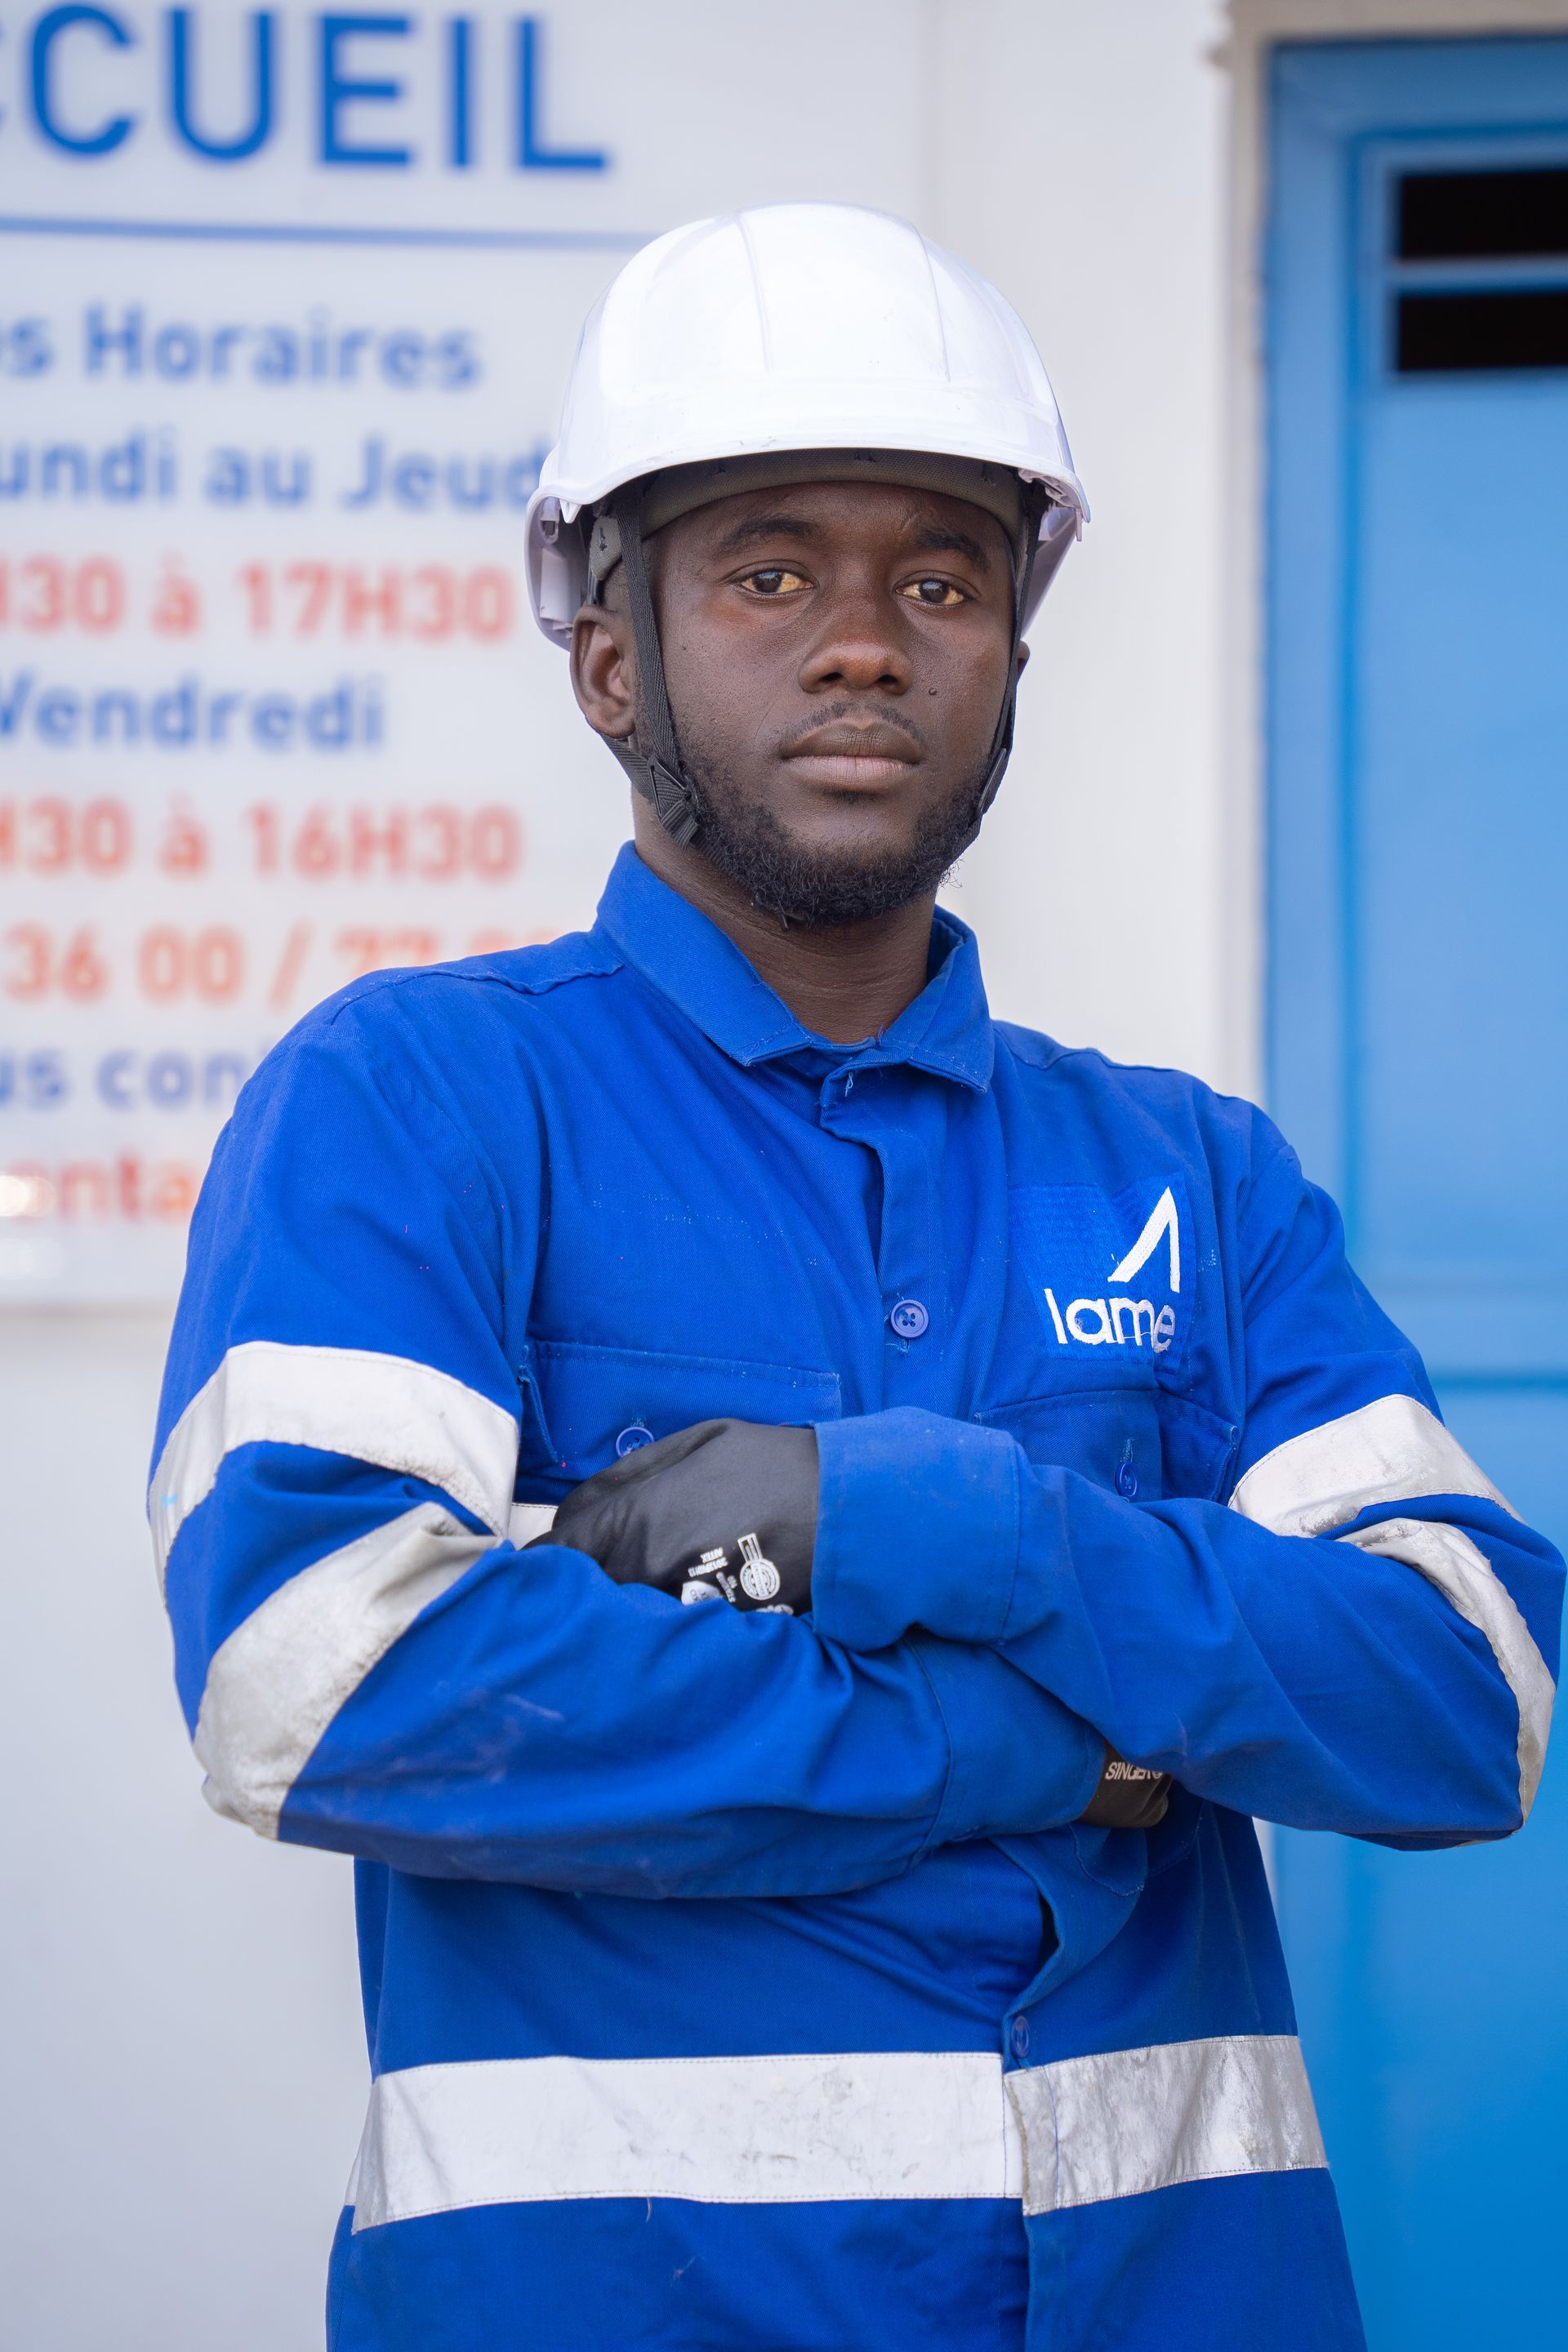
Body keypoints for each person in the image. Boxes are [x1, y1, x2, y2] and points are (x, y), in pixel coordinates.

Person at [151, 204, 1561, 2352]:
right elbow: (311, 1680)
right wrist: (1044, 1748)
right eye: (771, 571)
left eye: (942, 577)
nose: (865, 643)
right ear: (611, 654)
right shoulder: (421, 1103)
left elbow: (1465, 1698)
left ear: (1011, 643)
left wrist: (934, 1515)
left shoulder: (1188, 1169)